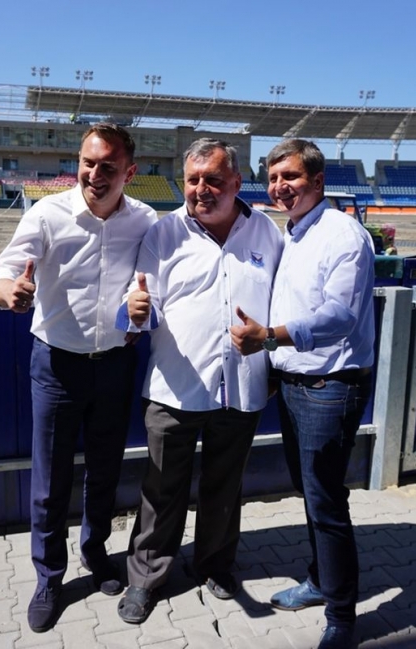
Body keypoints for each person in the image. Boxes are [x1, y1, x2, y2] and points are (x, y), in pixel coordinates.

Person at [0, 123, 157, 633]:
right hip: (57, 364)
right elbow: (4, 269)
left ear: (130, 172)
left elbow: (152, 284)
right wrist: (7, 293)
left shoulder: (146, 220)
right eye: (88, 162)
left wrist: (141, 310)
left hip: (115, 364)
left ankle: (95, 551)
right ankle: (49, 576)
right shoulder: (47, 214)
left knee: (105, 470)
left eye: (108, 166)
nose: (94, 174)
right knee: (50, 481)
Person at [115, 138, 284, 624]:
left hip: (242, 385)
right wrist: (136, 311)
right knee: (161, 490)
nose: (202, 189)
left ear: (237, 182)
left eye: (213, 179)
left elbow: (282, 303)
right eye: (193, 180)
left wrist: (274, 363)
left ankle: (215, 565)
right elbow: (142, 304)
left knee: (225, 487)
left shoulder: (267, 233)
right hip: (174, 387)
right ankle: (146, 577)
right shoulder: (163, 233)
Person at [230, 139, 376, 649]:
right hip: (296, 384)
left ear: (317, 180)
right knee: (313, 495)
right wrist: (276, 365)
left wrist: (269, 338)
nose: (279, 187)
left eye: (289, 177)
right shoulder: (292, 232)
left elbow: (340, 317)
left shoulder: (343, 235)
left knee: (326, 502)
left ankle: (342, 617)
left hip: (328, 387)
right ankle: (320, 581)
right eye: (273, 178)